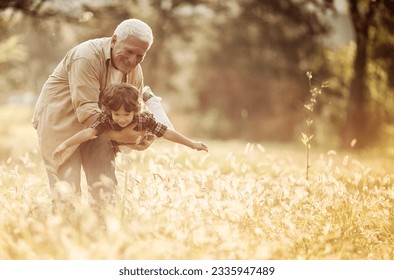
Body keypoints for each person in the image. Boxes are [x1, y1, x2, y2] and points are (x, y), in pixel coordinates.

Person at [32, 19, 174, 207]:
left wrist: (140, 137)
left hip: (100, 126)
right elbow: (87, 110)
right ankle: (64, 233)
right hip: (61, 124)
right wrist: (124, 136)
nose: (133, 61)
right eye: (129, 51)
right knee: (67, 191)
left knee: (104, 188)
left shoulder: (135, 70)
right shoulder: (86, 56)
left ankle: (99, 233)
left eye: (140, 55)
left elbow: (134, 109)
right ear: (114, 40)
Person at [53, 83, 208, 160]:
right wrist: (65, 144)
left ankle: (149, 96)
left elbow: (167, 133)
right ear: (110, 111)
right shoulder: (106, 119)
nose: (121, 119)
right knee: (126, 147)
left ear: (135, 111)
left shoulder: (144, 117)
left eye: (127, 114)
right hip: (128, 140)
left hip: (146, 125)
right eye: (116, 114)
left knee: (164, 121)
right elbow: (88, 133)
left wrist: (193, 144)